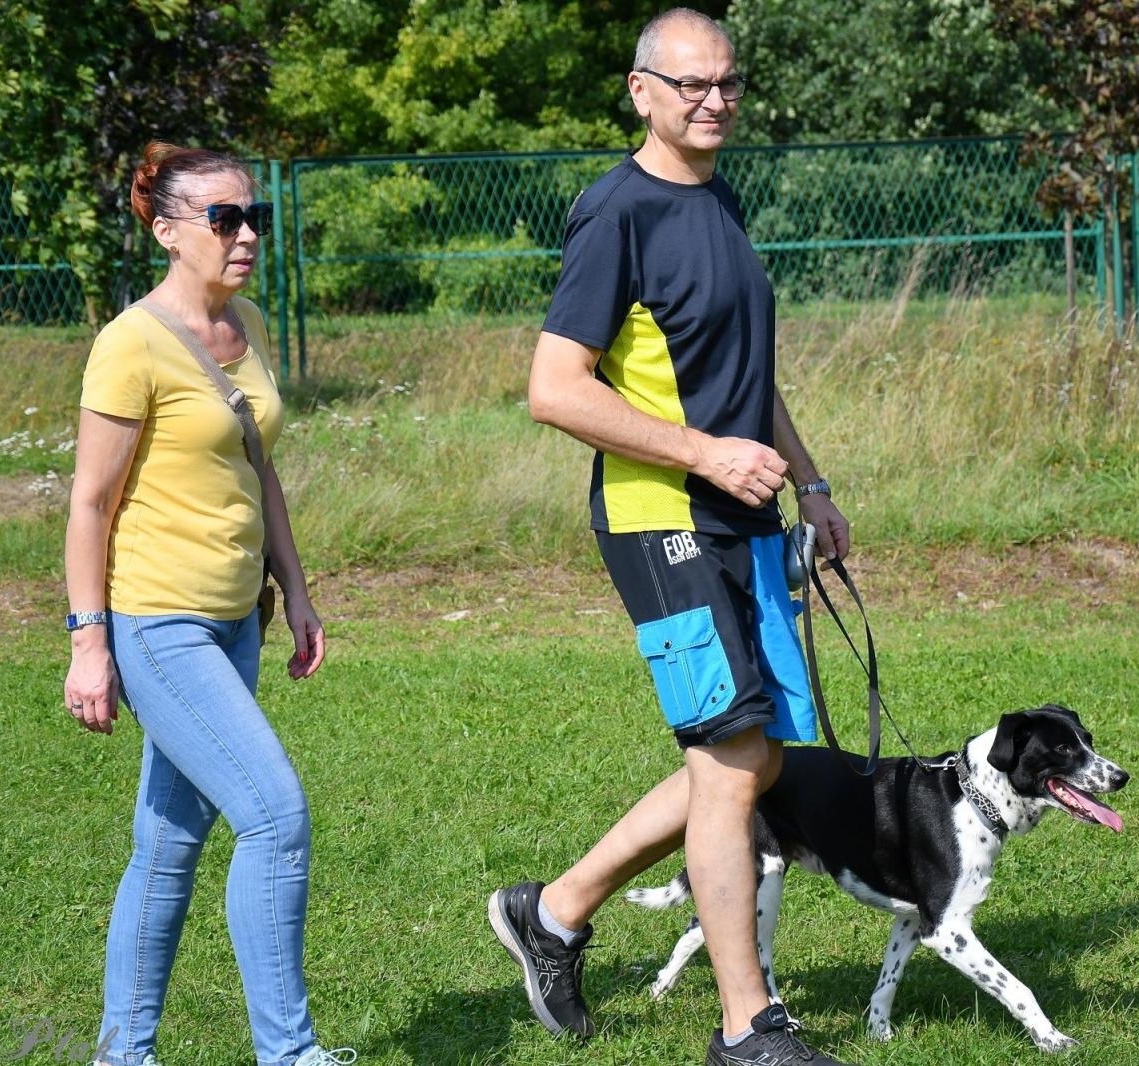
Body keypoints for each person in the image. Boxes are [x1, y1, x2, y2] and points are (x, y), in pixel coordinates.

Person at [486, 11, 854, 1066]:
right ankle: (747, 1028)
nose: (714, 101)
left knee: (753, 755)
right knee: (732, 761)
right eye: (691, 84)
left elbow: (745, 375)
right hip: (663, 520)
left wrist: (810, 483)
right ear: (641, 90)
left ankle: (555, 910)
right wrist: (705, 456)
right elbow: (555, 389)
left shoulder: (718, 197)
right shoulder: (616, 213)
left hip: (745, 512)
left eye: (727, 83)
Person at [63, 141, 352, 1066]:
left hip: (237, 621)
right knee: (274, 815)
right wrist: (89, 643)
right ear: (167, 231)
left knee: (168, 844)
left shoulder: (247, 323)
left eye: (254, 217)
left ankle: (123, 1055)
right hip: (159, 624)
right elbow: (89, 504)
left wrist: (295, 590)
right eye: (225, 219)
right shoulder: (131, 344)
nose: (248, 234)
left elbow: (257, 469)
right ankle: (290, 1055)